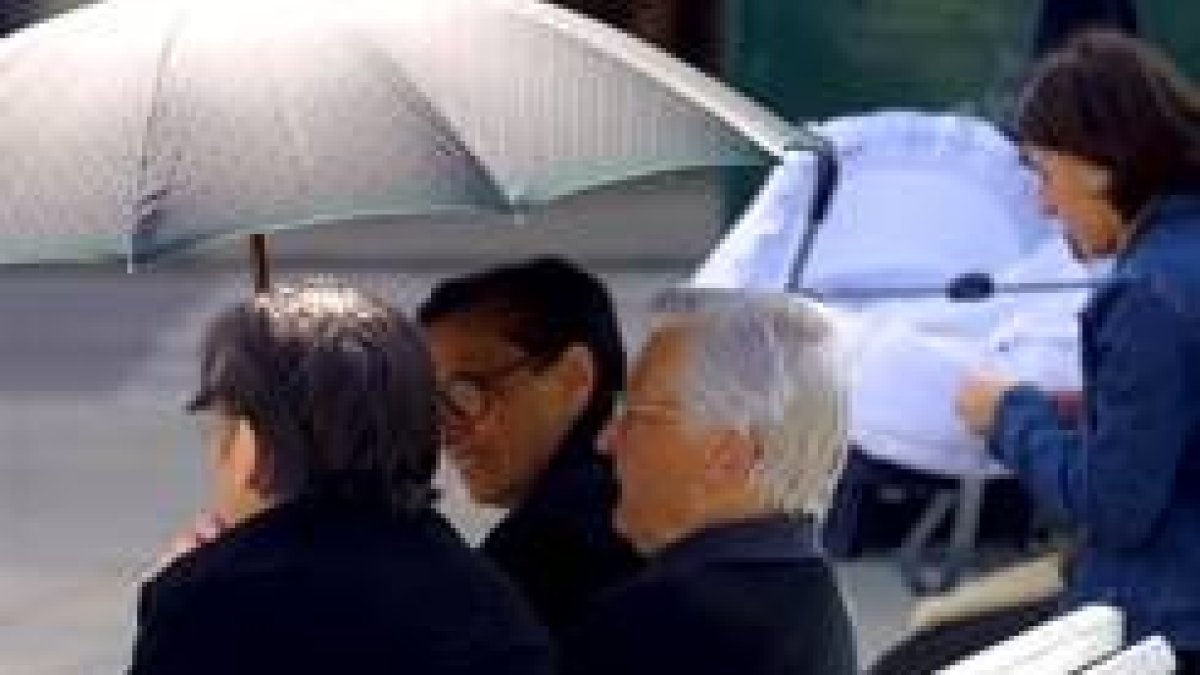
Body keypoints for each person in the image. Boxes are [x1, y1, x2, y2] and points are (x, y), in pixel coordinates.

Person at [129, 281, 551, 675]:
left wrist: (178, 589)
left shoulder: (209, 605)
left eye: (220, 427)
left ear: (251, 446)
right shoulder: (489, 599)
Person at [955, 30, 1200, 672]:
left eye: (1044, 172)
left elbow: (1117, 507)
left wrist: (1011, 415)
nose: (1042, 202)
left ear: (1098, 165)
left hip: (1163, 626)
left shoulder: (1149, 296)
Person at [562, 289, 857, 675]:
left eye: (636, 415)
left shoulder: (655, 624)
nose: (606, 441)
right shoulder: (815, 598)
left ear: (727, 456)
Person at [418, 257, 642, 635]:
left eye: (465, 394)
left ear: (573, 378)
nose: (445, 431)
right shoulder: (651, 516)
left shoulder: (550, 553)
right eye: (432, 403)